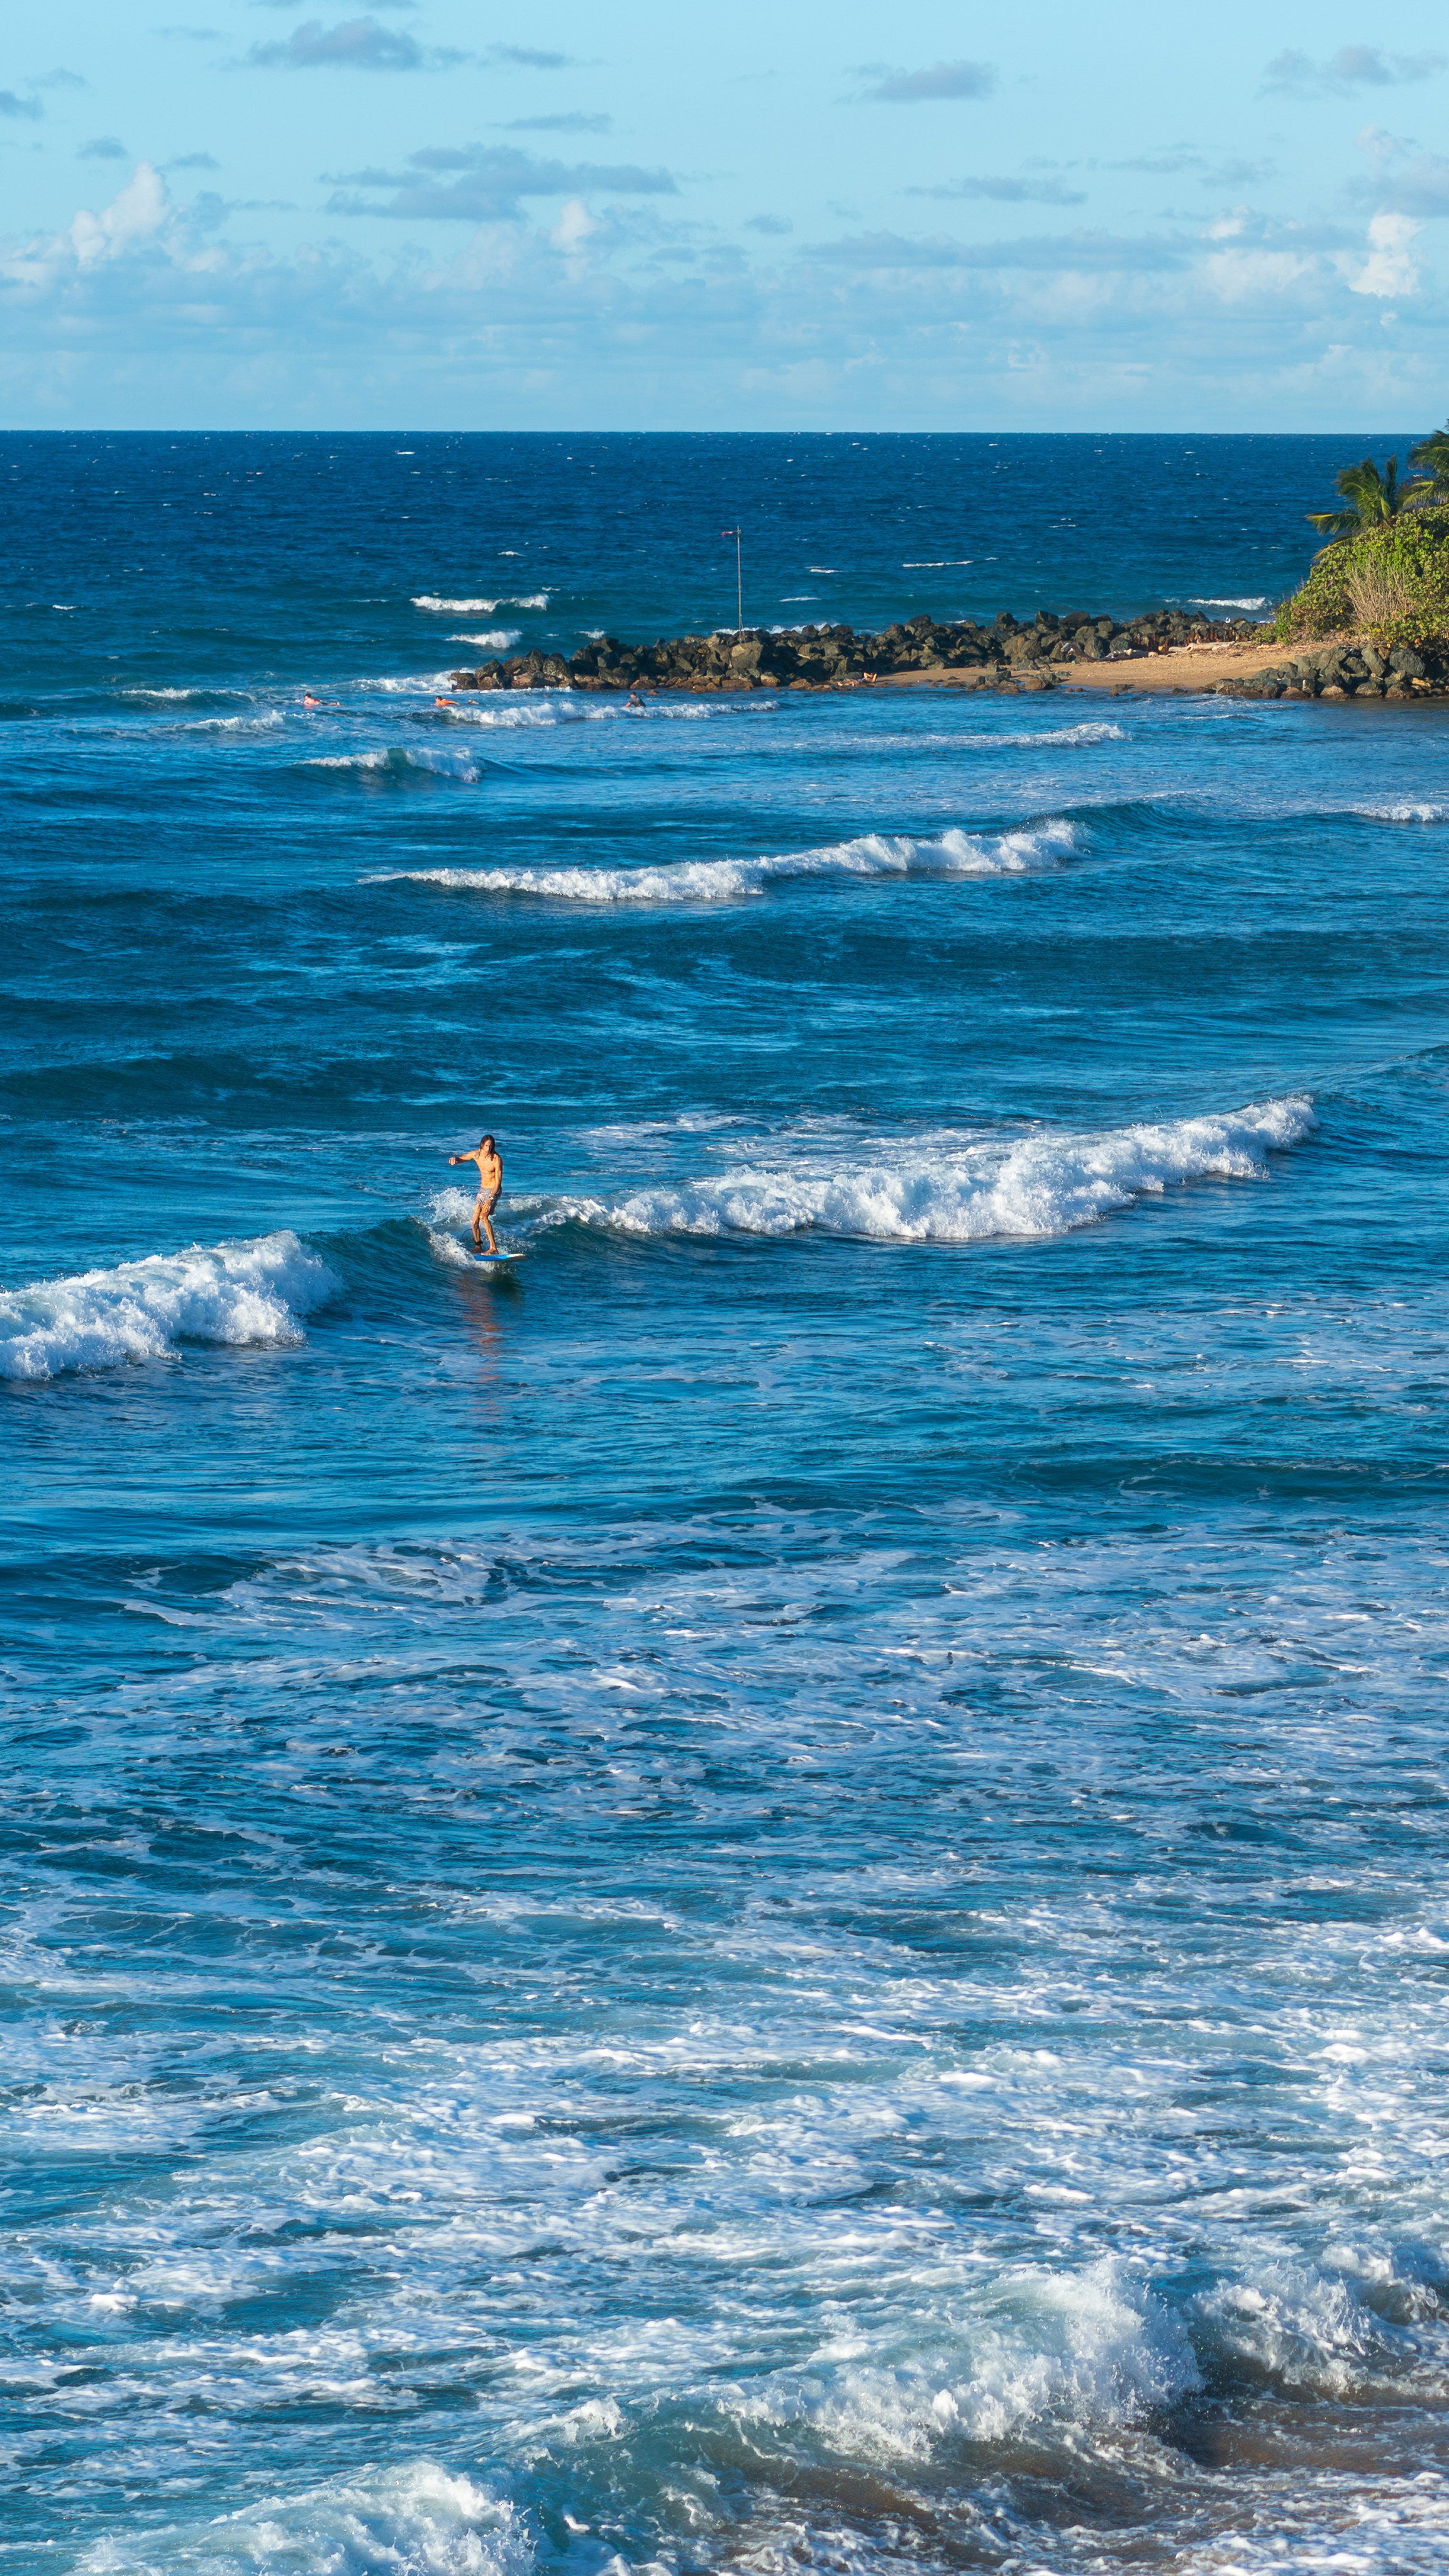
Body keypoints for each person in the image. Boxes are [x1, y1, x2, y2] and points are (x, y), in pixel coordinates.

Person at [448, 1134, 503, 1252]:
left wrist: (491, 1199)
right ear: (482, 1145)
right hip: (482, 1190)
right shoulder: (476, 1155)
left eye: (491, 1146)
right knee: (474, 1222)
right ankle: (478, 1245)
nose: (488, 1148)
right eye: (487, 1146)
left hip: (494, 1191)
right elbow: (462, 1158)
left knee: (484, 1217)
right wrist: (455, 1160)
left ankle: (494, 1248)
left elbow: (498, 1182)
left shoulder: (496, 1159)